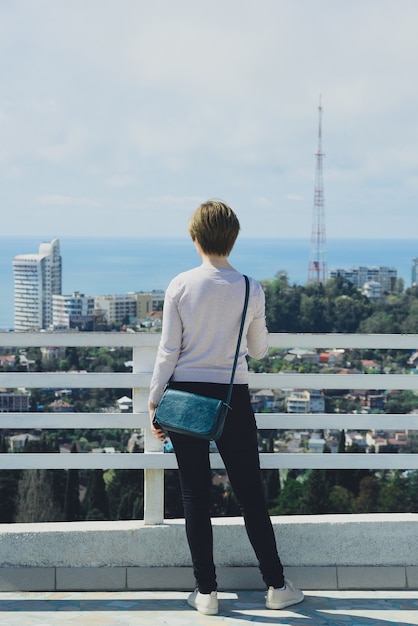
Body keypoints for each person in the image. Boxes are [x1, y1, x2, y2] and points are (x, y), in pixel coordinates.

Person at [148, 200, 304, 615]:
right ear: (232, 239)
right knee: (251, 495)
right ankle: (276, 586)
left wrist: (154, 401)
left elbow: (168, 352)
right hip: (232, 397)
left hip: (184, 398)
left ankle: (207, 593)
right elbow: (258, 349)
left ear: (195, 237)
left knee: (195, 496)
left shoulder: (180, 285)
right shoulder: (251, 287)